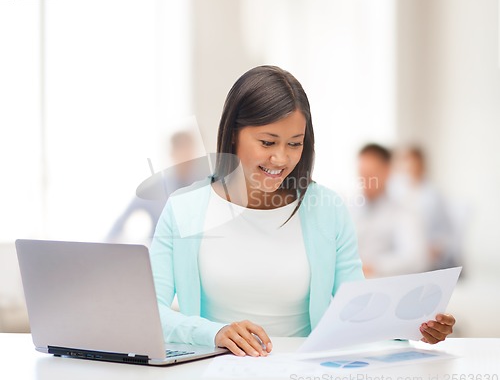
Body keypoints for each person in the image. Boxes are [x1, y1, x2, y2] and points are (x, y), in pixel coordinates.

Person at [150, 66, 455, 357]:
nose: (280, 158)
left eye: (294, 144)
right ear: (233, 134)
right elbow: (149, 311)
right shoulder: (184, 209)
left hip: (304, 375)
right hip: (212, 376)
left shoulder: (327, 209)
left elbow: (360, 308)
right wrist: (213, 333)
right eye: (267, 142)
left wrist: (414, 327)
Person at [351, 143, 430, 277]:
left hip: (381, 282)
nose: (364, 181)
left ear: (387, 171)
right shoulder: (349, 208)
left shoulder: (403, 212)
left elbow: (415, 258)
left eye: (370, 174)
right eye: (362, 174)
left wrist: (373, 267)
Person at [389, 146, 458, 270]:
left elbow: (447, 232)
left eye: (413, 162)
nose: (409, 166)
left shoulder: (433, 195)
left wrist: (436, 248)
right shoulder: (396, 190)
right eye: (406, 162)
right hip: (403, 252)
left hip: (428, 254)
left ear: (422, 165)